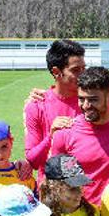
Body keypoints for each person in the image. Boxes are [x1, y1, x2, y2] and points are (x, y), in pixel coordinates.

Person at [48, 66, 109, 204]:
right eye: (81, 99)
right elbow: (56, 181)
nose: (86, 105)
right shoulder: (65, 134)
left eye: (93, 99)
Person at [25, 39, 85, 178]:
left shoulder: (94, 100)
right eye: (76, 70)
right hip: (54, 192)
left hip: (88, 189)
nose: (83, 74)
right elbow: (33, 160)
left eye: (84, 68)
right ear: (57, 72)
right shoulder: (37, 106)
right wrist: (51, 136)